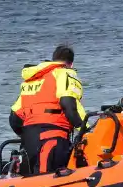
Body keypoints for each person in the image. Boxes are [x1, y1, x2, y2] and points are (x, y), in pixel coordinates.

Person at [9, 44, 87, 175]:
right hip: (53, 138)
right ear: (71, 64)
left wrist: (28, 136)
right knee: (51, 179)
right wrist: (84, 130)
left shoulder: (32, 81)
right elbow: (68, 104)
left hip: (29, 142)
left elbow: (14, 119)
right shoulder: (65, 73)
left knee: (33, 179)